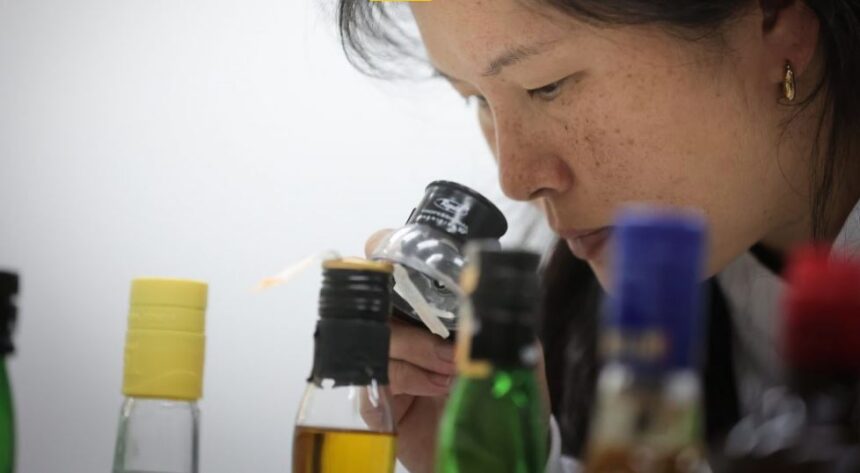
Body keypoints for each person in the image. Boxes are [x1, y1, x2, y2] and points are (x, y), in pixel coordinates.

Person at [339, 1, 860, 471]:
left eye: (548, 85)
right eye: (475, 99)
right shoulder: (593, 340)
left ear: (774, 20)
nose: (515, 179)